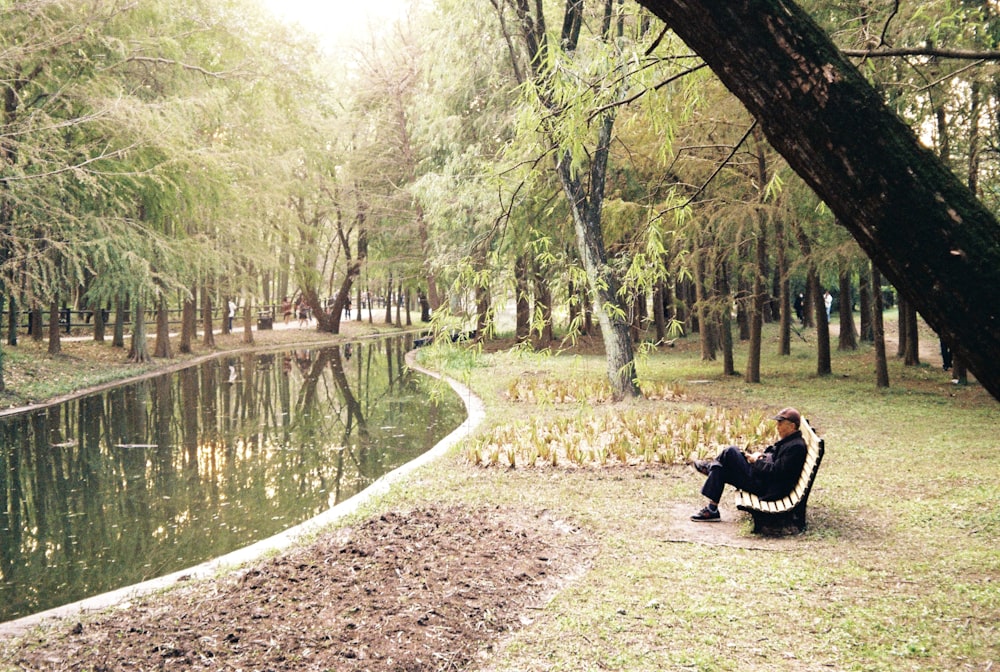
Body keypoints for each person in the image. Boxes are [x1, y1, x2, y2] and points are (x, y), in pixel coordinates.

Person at [689, 407, 807, 522]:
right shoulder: (790, 441)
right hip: (763, 479)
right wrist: (761, 455)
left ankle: (709, 468)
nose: (777, 427)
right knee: (720, 468)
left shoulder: (796, 447)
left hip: (766, 488)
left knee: (730, 452)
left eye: (780, 424)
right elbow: (774, 454)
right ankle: (712, 509)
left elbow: (776, 472)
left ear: (792, 426)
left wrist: (756, 462)